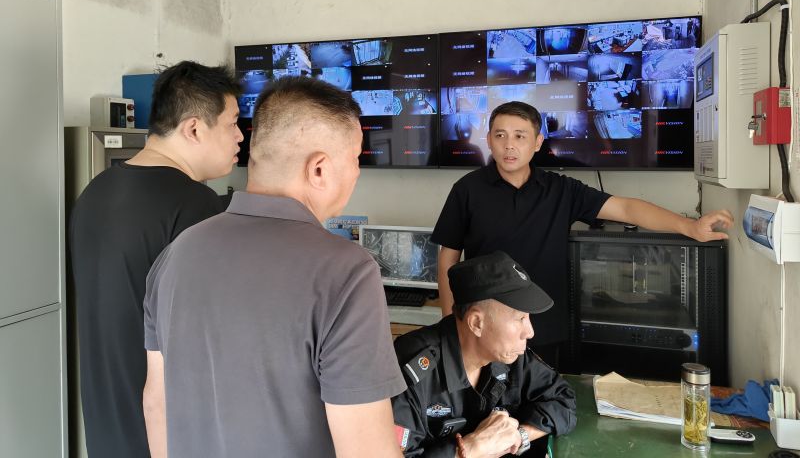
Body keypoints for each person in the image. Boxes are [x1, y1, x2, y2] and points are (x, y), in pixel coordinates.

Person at [142, 76, 407, 458]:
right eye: (354, 159)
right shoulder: (347, 272)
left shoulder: (176, 254)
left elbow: (157, 404)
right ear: (319, 169)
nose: (356, 172)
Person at [432, 101, 734, 365]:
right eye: (500, 135)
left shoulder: (561, 189)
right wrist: (449, 323)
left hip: (542, 328)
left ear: (537, 142)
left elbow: (626, 209)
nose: (509, 145)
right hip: (482, 329)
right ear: (489, 140)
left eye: (520, 136)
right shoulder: (467, 190)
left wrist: (689, 227)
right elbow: (448, 259)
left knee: (539, 405)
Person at [69, 61, 243, 458]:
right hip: (165, 434)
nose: (240, 136)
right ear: (194, 128)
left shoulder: (95, 191)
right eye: (233, 123)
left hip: (106, 426)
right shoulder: (195, 205)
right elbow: (209, 340)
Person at [392, 251, 576, 457]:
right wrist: (471, 448)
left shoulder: (509, 355)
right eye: (520, 319)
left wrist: (517, 436)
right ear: (476, 323)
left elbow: (564, 401)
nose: (530, 332)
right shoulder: (411, 371)